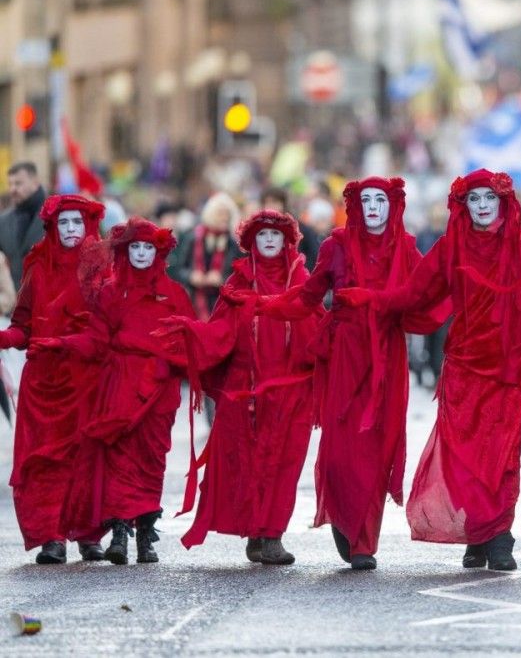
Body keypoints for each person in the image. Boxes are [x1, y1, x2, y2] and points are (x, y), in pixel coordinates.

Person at [337, 169, 521, 570]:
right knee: (463, 458)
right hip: (464, 364)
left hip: (508, 367)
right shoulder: (451, 246)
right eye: (474, 199)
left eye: (488, 199)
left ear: (502, 203)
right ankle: (480, 533)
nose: (481, 206)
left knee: (501, 455)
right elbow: (413, 294)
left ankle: (498, 538)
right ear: (465, 204)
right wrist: (368, 300)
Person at [260, 177, 447, 570]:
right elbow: (309, 296)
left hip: (387, 353)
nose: (374, 206)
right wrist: (262, 305)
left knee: (378, 445)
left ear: (393, 205)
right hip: (345, 353)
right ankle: (345, 516)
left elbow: (424, 297)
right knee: (342, 445)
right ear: (355, 206)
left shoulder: (407, 247)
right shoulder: (336, 246)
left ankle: (364, 539)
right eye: (366, 200)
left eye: (381, 199)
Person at [156, 210, 320, 565]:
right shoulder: (238, 282)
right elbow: (219, 333)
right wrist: (190, 331)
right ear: (252, 242)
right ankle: (255, 532)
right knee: (248, 465)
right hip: (247, 390)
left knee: (284, 464)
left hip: (291, 391)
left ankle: (272, 533)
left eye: (277, 234)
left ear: (288, 240)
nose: (271, 240)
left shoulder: (302, 280)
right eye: (263, 235)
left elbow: (316, 329)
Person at [34, 218, 195, 565]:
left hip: (158, 388)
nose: (140, 253)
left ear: (158, 252)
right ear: (125, 252)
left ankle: (145, 539)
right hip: (120, 382)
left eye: (147, 247)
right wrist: (61, 343)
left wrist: (172, 362)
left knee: (151, 461)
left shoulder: (175, 294)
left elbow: (190, 338)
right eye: (134, 247)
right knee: (119, 457)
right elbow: (96, 339)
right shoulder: (110, 292)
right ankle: (120, 534)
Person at [0, 195, 106, 564]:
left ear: (88, 225)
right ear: (52, 227)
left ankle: (89, 535)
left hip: (86, 380)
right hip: (43, 383)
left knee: (86, 458)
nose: (72, 230)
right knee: (44, 463)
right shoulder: (38, 267)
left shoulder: (102, 269)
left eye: (78, 222)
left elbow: (109, 327)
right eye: (64, 223)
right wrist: (3, 339)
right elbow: (22, 327)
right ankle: (52, 537)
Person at [170, 192, 242, 321]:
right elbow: (179, 269)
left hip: (222, 304)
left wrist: (223, 279)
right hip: (194, 302)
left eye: (227, 214)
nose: (225, 218)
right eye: (221, 213)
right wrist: (191, 276)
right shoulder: (192, 238)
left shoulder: (233, 244)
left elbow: (239, 275)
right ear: (211, 214)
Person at [0, 162, 47, 290]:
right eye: (10, 184)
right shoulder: (3, 221)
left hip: (48, 301)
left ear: (35, 182)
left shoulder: (56, 217)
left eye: (18, 183)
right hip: (14, 304)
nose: (12, 189)